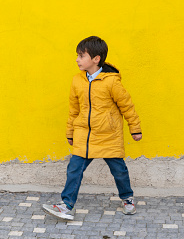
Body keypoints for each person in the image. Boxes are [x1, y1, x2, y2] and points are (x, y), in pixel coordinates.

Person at [42, 36, 142, 220]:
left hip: (108, 135)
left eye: (81, 55)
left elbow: (127, 105)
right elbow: (74, 110)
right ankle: (66, 205)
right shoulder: (77, 81)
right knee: (74, 169)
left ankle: (127, 198)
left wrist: (135, 128)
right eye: (77, 55)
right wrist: (70, 132)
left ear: (96, 59)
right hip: (84, 136)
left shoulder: (111, 82)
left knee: (119, 171)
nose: (77, 59)